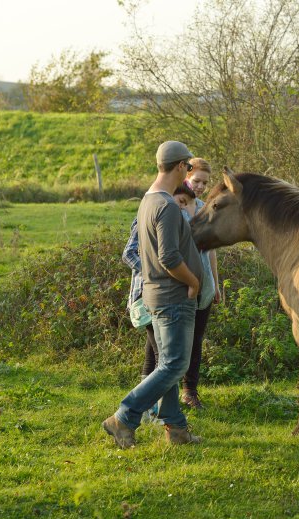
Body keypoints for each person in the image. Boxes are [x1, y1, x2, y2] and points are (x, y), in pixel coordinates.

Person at [103, 140, 204, 448]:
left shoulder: (149, 200)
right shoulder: (168, 207)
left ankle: (175, 428)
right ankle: (124, 416)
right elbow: (170, 258)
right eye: (188, 167)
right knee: (175, 365)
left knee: (166, 363)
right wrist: (193, 282)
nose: (188, 173)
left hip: (156, 296)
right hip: (173, 296)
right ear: (179, 167)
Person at [180, 157, 221, 409]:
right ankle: (161, 392)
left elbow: (212, 251)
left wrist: (216, 284)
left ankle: (190, 391)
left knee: (196, 340)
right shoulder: (175, 205)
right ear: (186, 176)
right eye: (196, 181)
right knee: (174, 341)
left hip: (204, 287)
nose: (200, 187)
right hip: (180, 286)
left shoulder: (207, 210)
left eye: (205, 183)